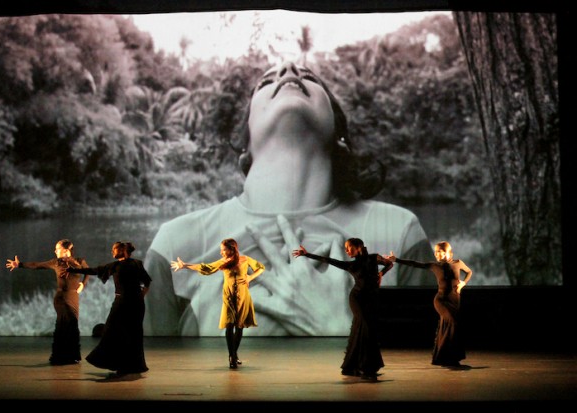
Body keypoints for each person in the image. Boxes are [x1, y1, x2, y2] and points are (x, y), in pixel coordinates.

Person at [144, 60, 434, 337]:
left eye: (310, 78)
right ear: (245, 146)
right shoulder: (175, 246)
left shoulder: (398, 233)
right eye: (266, 82)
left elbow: (428, 381)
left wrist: (335, 327)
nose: (288, 69)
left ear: (340, 135)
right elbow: (151, 383)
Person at [293, 238, 393, 380]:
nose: (346, 250)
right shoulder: (351, 265)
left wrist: (381, 274)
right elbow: (328, 260)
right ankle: (367, 367)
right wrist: (307, 254)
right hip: (357, 298)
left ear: (359, 247)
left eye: (349, 247)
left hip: (371, 299)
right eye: (345, 248)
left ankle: (353, 366)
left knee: (362, 329)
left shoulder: (373, 258)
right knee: (365, 328)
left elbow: (389, 264)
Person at [171, 238, 265, 369]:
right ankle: (231, 356)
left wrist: (250, 277)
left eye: (223, 249)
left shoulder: (245, 259)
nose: (221, 252)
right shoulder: (223, 262)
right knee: (229, 325)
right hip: (229, 296)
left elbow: (260, 268)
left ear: (232, 249)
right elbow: (206, 268)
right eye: (221, 250)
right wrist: (185, 265)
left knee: (239, 326)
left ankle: (234, 354)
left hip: (243, 295)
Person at [67, 241, 151, 375]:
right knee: (124, 333)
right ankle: (126, 365)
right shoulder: (125, 265)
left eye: (114, 250)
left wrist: (141, 294)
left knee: (122, 332)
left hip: (128, 303)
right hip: (130, 302)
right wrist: (73, 270)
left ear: (122, 251)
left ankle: (127, 365)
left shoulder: (126, 265)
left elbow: (147, 281)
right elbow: (94, 270)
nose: (112, 252)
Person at [386, 241, 473, 367]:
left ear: (448, 251)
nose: (436, 254)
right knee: (453, 322)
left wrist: (463, 283)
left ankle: (446, 357)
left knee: (448, 326)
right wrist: (396, 260)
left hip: (455, 300)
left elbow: (469, 272)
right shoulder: (434, 266)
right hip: (441, 300)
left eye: (439, 251)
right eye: (435, 251)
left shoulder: (458, 263)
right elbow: (415, 264)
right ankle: (450, 356)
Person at [5, 239, 89, 365]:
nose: (55, 251)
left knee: (71, 325)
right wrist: (20, 264)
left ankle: (71, 356)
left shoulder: (79, 261)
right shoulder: (56, 262)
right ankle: (61, 356)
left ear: (66, 250)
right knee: (65, 325)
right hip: (61, 298)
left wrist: (83, 283)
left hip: (73, 297)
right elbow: (36, 265)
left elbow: (88, 271)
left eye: (58, 248)